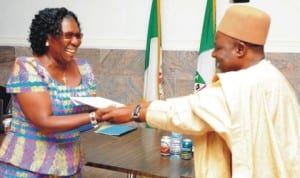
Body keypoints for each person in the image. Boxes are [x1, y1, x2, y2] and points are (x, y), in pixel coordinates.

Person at [100, 5, 300, 178]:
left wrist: (135, 112)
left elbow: (186, 111)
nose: (213, 54)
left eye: (218, 48)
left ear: (240, 49)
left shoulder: (238, 87)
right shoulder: (275, 78)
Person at [0, 7, 103, 177]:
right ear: (49, 38)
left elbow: (87, 112)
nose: (75, 41)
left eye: (78, 36)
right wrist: (96, 116)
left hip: (70, 166)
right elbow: (44, 122)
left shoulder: (84, 68)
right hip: (26, 169)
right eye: (68, 35)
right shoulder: (28, 67)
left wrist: (113, 112)